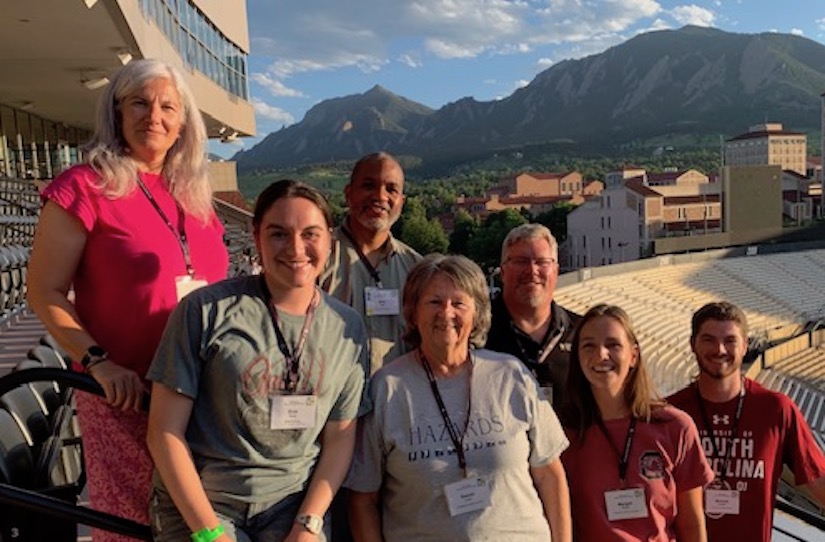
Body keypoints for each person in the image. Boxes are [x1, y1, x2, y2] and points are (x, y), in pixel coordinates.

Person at [26, 59, 228, 539]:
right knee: (135, 529)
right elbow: (43, 291)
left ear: (183, 122)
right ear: (116, 112)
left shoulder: (195, 195)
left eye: (167, 106)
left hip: (202, 397)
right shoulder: (84, 187)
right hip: (126, 397)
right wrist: (97, 362)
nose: (152, 116)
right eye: (138, 102)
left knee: (199, 525)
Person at [146, 180, 370, 542]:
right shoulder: (205, 311)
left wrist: (309, 524)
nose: (296, 249)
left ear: (329, 239)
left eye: (310, 234)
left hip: (291, 506)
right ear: (256, 235)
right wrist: (210, 534)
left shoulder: (348, 328)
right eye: (279, 233)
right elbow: (163, 434)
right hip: (205, 503)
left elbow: (341, 439)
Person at [347, 254, 572, 542]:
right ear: (412, 312)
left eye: (459, 303)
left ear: (476, 313)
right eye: (434, 302)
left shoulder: (511, 375)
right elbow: (363, 499)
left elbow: (549, 475)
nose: (446, 313)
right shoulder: (387, 389)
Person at [667, 301, 825, 542]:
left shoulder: (775, 409)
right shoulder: (670, 413)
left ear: (745, 346)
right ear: (692, 344)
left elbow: (818, 480)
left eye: (730, 340)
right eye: (708, 339)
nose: (720, 349)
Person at [560, 304, 712, 542]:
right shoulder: (564, 434)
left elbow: (692, 526)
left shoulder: (675, 427)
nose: (601, 355)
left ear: (633, 355)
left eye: (613, 345)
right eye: (589, 345)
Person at [321, 152, 422, 374]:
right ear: (348, 194)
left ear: (401, 202)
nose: (380, 196)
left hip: (397, 404)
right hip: (333, 403)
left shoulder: (417, 269)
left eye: (391, 189)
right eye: (368, 185)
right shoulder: (318, 256)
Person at [485, 223, 578, 409]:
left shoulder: (581, 332)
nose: (532, 270)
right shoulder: (477, 332)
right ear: (502, 272)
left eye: (542, 262)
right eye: (520, 261)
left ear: (556, 271)